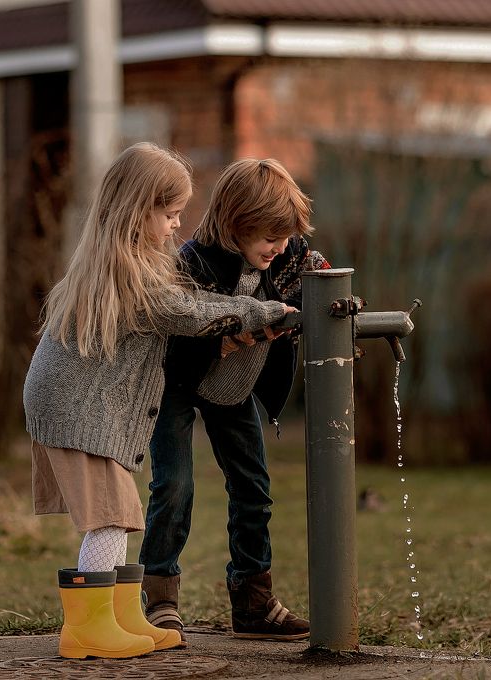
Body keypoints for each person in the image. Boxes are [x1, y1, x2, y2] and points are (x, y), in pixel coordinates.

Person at [22, 143, 293, 660]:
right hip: (76, 413)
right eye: (168, 215)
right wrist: (258, 313)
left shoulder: (132, 259)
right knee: (109, 515)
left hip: (79, 409)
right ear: (136, 209)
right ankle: (86, 629)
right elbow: (187, 312)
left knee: (121, 513)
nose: (176, 226)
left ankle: (120, 616)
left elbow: (188, 303)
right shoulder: (128, 271)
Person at [139, 158, 329, 642]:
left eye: (285, 235)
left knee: (253, 490)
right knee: (174, 487)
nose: (279, 246)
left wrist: (337, 303)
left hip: (235, 388)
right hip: (178, 383)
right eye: (268, 235)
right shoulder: (193, 263)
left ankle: (253, 603)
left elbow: (325, 282)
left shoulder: (291, 257)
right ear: (234, 224)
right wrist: (251, 326)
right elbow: (182, 329)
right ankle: (159, 599)